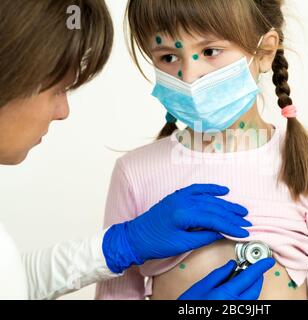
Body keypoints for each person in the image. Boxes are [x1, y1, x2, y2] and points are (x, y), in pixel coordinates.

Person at [0, 0, 275, 300]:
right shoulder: (135, 171)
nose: (63, 110)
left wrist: (120, 245)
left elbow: (10, 279)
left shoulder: (306, 162)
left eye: (210, 51)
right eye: (58, 88)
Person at [95, 0, 308, 300]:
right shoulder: (135, 172)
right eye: (169, 56)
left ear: (264, 51)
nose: (189, 74)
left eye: (210, 51)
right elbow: (115, 296)